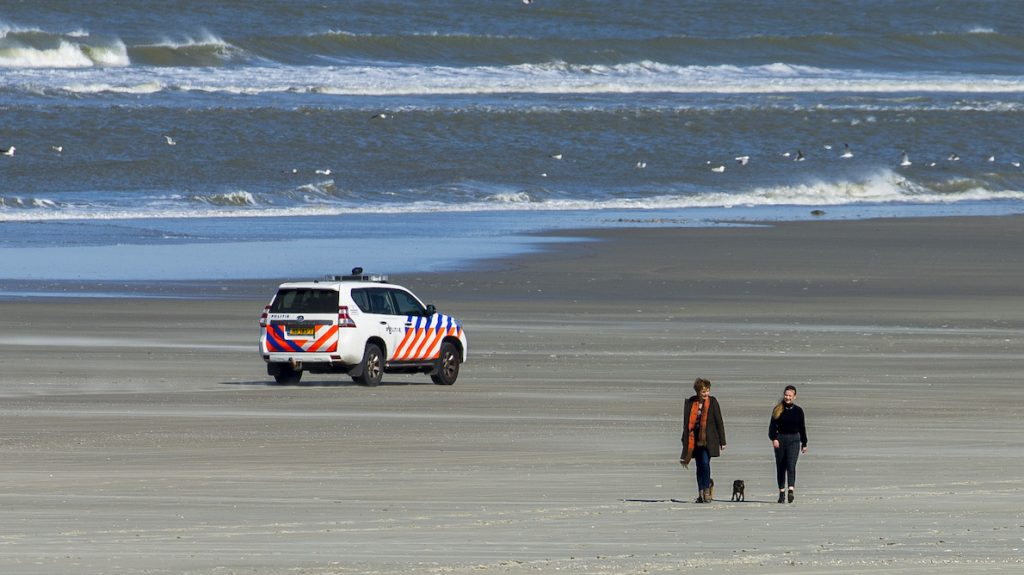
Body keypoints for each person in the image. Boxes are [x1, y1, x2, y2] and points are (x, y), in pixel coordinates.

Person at [680, 377, 726, 503]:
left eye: (707, 391)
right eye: (703, 391)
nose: (706, 394)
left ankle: (707, 490)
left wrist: (723, 441)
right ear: (698, 392)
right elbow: (686, 422)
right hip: (693, 438)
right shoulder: (691, 402)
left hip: (709, 439)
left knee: (705, 464)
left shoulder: (713, 402)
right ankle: (701, 492)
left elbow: (719, 422)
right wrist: (684, 438)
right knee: (699, 466)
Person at [769, 385, 808, 503]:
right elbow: (772, 427)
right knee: (781, 467)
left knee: (791, 465)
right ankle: (781, 492)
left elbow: (802, 427)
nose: (787, 397)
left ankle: (791, 490)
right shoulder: (777, 409)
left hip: (794, 440)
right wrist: (774, 438)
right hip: (780, 439)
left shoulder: (798, 411)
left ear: (794, 396)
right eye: (786, 395)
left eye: (790, 396)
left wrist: (804, 443)